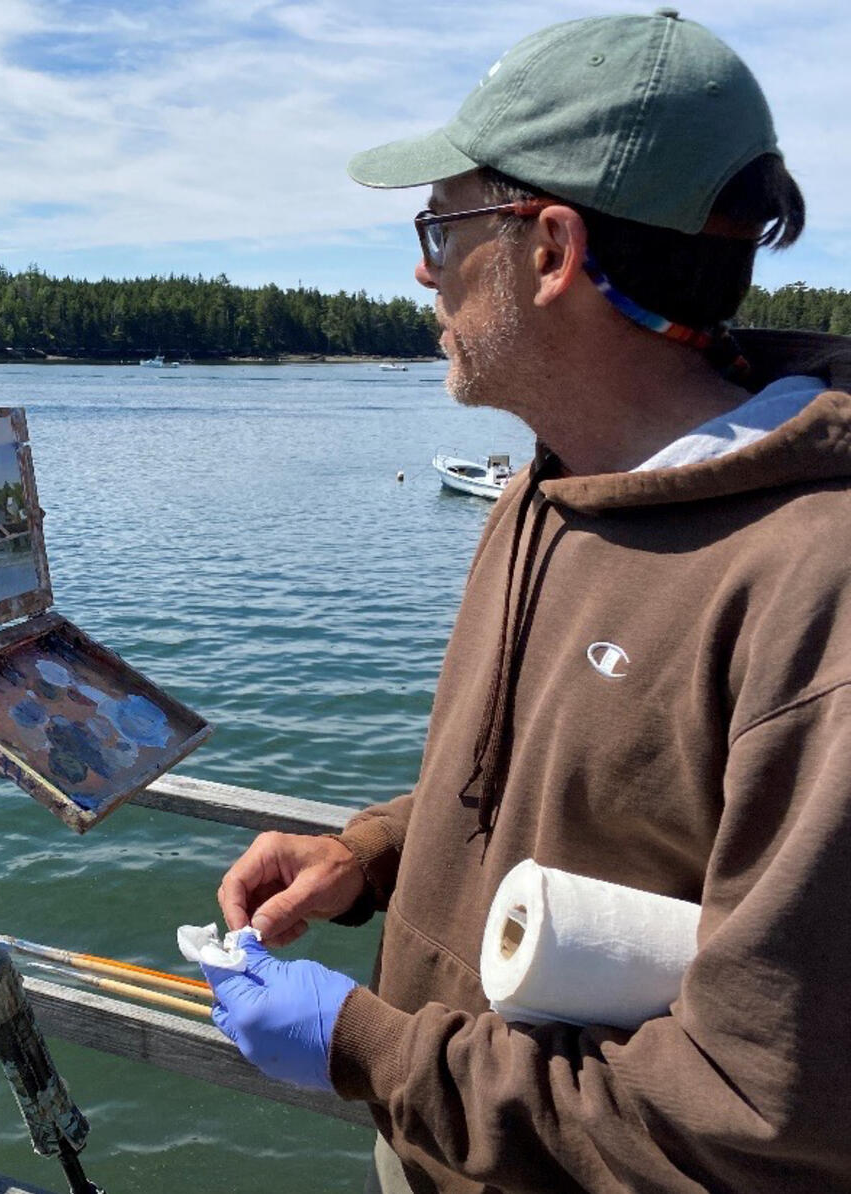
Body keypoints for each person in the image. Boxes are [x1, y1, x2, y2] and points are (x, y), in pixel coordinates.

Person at [200, 11, 851, 1193]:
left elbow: (763, 1119)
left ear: (549, 249)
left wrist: (375, 1053)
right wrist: (372, 855)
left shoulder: (815, 592)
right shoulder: (549, 483)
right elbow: (566, 791)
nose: (418, 265)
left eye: (442, 226)